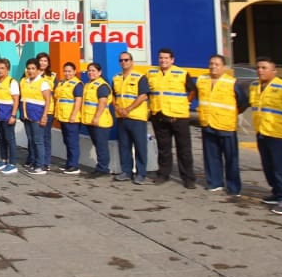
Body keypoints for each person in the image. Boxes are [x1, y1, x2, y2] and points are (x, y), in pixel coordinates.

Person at [249, 56, 282, 215]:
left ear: (274, 70)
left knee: (280, 168)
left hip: (279, 134)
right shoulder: (254, 86)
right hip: (262, 131)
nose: (260, 71)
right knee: (268, 166)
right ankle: (277, 193)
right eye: (258, 68)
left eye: (264, 68)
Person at [194, 54, 246, 196]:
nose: (213, 67)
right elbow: (200, 97)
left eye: (217, 64)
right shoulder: (202, 80)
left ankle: (233, 187)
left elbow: (243, 103)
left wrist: (231, 114)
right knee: (211, 156)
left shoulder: (233, 83)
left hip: (226, 126)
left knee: (231, 158)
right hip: (208, 123)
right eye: (211, 63)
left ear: (223, 67)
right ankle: (214, 182)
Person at [148, 48, 196, 188]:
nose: (163, 60)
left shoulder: (181, 73)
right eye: (161, 58)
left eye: (166, 58)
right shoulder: (152, 73)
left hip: (178, 116)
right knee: (163, 148)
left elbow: (192, 90)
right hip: (159, 115)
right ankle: (163, 174)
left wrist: (186, 103)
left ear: (172, 59)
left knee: (184, 149)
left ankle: (188, 178)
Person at [113, 53, 150, 185]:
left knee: (140, 146)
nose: (124, 62)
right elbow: (114, 96)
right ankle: (126, 171)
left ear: (132, 61)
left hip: (136, 117)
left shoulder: (140, 77)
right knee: (124, 146)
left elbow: (143, 96)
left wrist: (128, 109)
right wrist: (118, 108)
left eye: (126, 60)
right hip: (122, 117)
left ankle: (141, 173)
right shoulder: (116, 78)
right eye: (121, 60)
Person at [78, 62, 114, 178]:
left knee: (101, 145)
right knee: (98, 145)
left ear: (99, 72)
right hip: (91, 120)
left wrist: (97, 117)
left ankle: (103, 169)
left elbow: (102, 103)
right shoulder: (88, 84)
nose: (91, 73)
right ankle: (100, 167)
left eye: (93, 71)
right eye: (89, 71)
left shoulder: (102, 86)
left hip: (100, 121)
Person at [19, 58, 52, 175]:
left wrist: (44, 116)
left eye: (33, 68)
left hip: (37, 115)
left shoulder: (43, 83)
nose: (31, 71)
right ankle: (34, 162)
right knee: (31, 140)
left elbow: (48, 100)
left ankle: (40, 165)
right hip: (27, 115)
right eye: (29, 68)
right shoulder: (24, 81)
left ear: (38, 70)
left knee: (38, 141)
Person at [0, 58, 21, 175]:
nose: (0, 70)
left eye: (2, 68)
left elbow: (16, 100)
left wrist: (13, 115)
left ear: (8, 70)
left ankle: (12, 163)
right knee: (1, 139)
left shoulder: (12, 82)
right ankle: (4, 160)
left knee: (10, 139)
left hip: (7, 115)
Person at [52, 62, 81, 175]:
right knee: (67, 141)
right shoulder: (62, 82)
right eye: (65, 71)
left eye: (69, 71)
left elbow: (78, 100)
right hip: (63, 116)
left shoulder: (77, 84)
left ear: (74, 72)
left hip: (71, 118)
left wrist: (73, 115)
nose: (67, 73)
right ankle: (69, 163)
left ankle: (74, 165)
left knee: (72, 142)